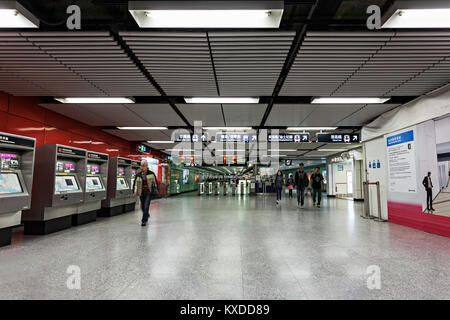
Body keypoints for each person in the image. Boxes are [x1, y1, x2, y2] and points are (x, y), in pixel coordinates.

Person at [133, 160, 158, 226]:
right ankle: (147, 214)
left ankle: (144, 221)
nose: (142, 167)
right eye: (141, 166)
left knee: (146, 206)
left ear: (147, 166)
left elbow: (155, 182)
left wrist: (155, 189)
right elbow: (135, 184)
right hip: (141, 192)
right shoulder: (138, 175)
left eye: (143, 166)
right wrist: (134, 191)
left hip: (148, 192)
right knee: (142, 207)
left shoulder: (151, 174)